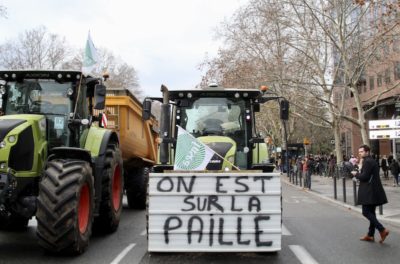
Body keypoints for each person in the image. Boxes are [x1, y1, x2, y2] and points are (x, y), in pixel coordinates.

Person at [351, 144, 389, 243]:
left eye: (362, 152)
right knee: (371, 213)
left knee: (366, 212)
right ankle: (370, 235)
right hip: (374, 190)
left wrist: (356, 174)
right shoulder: (371, 160)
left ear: (367, 152)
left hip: (369, 191)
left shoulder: (367, 161)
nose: (360, 154)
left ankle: (382, 229)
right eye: (359, 152)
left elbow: (365, 177)